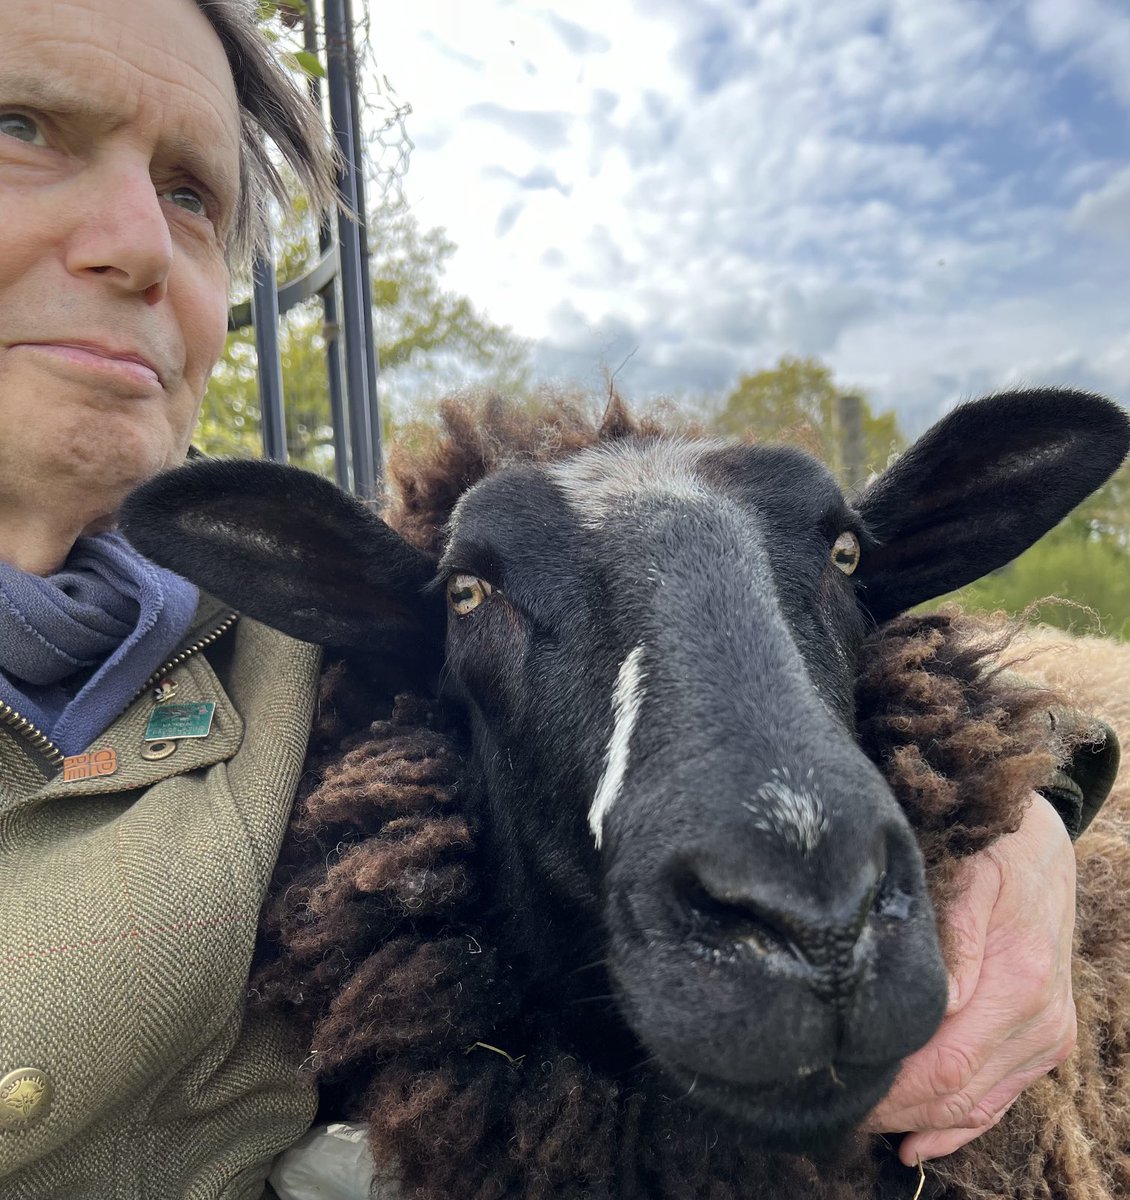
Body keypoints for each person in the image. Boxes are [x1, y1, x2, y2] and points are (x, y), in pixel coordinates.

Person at [0, 0, 1110, 1194]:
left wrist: (1018, 828)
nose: (139, 244)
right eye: (21, 129)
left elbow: (863, 677)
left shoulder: (292, 660)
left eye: (192, 197)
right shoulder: (335, 629)